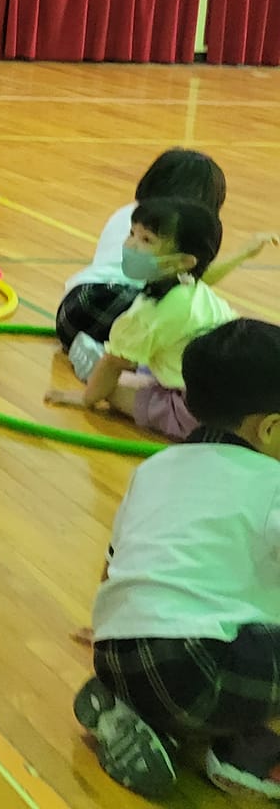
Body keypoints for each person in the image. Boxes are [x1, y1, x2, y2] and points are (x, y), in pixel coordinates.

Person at [73, 318, 280, 801]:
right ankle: (250, 756)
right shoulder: (272, 484)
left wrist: (113, 626)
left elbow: (113, 566)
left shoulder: (153, 468)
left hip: (116, 655)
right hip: (199, 670)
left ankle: (140, 713)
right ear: (271, 428)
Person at [56, 150, 270, 382]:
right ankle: (118, 366)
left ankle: (110, 357)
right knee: (191, 325)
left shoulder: (133, 214)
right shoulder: (168, 229)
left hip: (74, 307)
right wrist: (244, 253)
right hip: (111, 302)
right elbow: (189, 280)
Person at [45, 198, 236, 442]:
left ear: (183, 261)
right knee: (150, 361)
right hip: (233, 391)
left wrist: (86, 398)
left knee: (113, 388)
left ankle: (97, 365)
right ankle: (121, 364)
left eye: (146, 240)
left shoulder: (150, 311)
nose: (131, 245)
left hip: (199, 411)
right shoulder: (194, 289)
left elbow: (114, 363)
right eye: (132, 234)